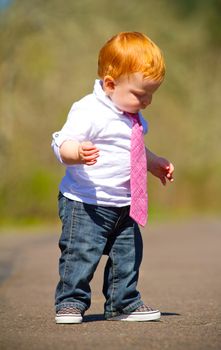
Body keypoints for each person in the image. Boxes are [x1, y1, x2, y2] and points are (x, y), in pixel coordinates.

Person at [51, 31, 174, 324]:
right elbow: (61, 142)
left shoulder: (132, 116)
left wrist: (154, 162)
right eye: (140, 94)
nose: (147, 102)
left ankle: (123, 303)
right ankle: (70, 302)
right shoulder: (89, 110)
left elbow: (134, 148)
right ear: (110, 84)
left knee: (128, 256)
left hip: (125, 204)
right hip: (86, 204)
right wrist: (76, 152)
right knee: (80, 255)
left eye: (151, 94)